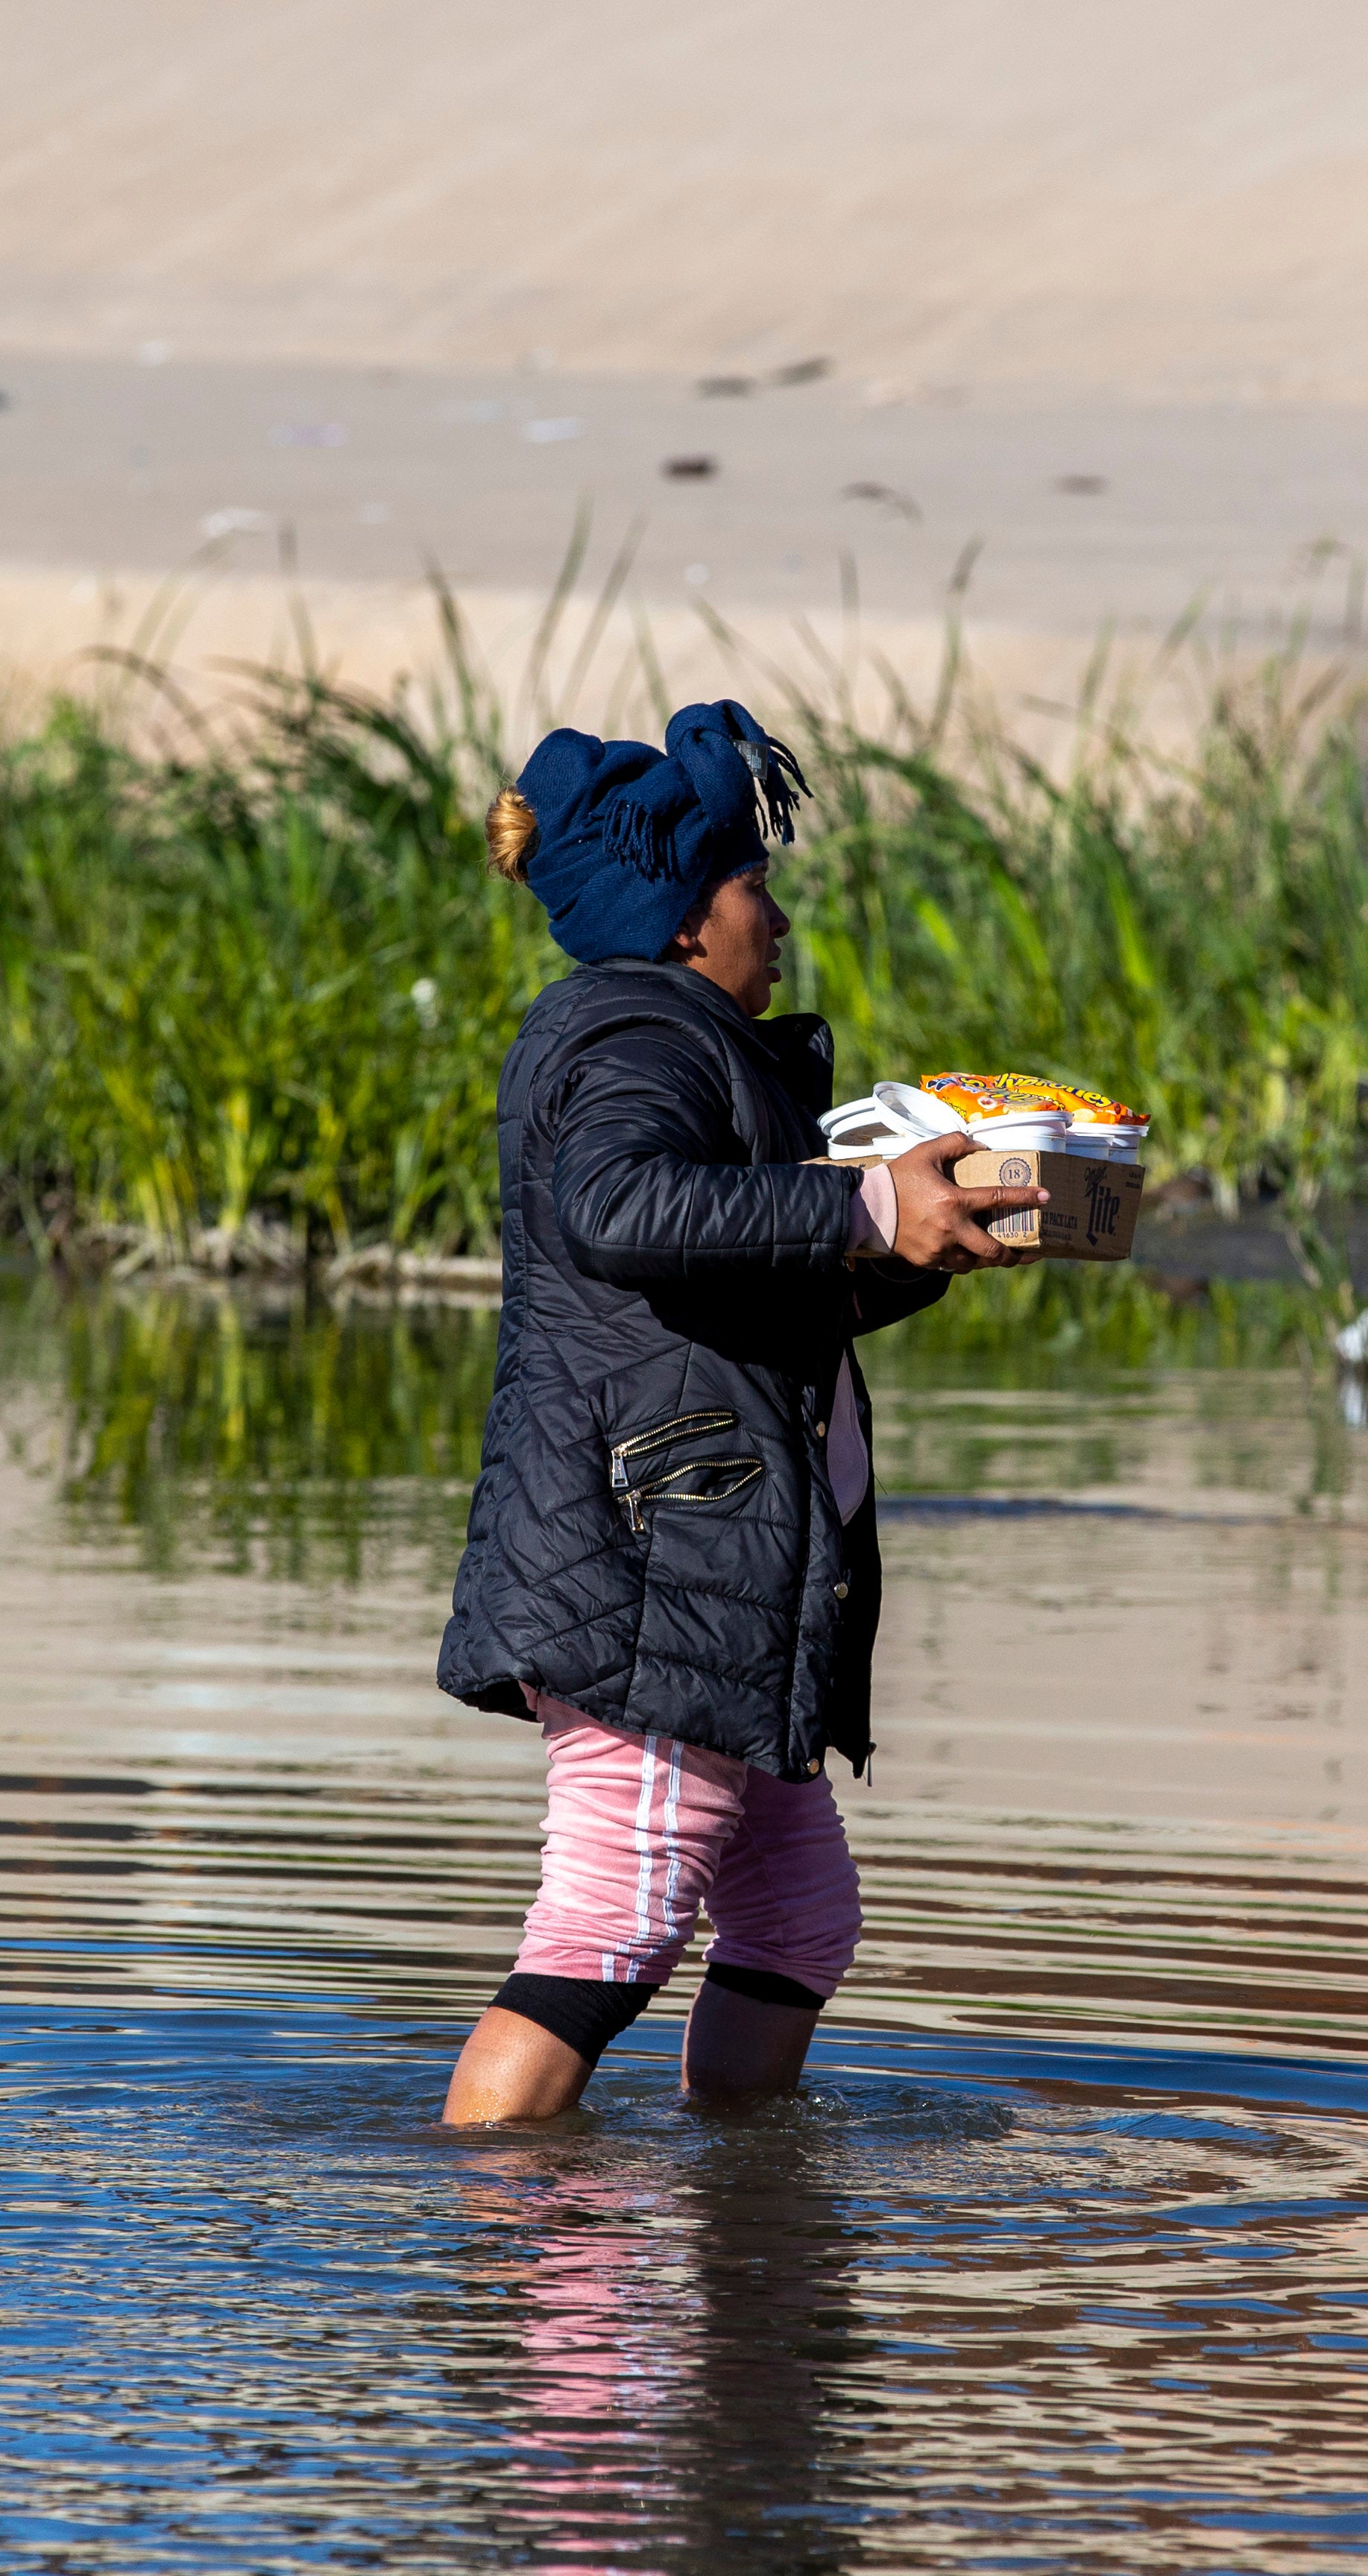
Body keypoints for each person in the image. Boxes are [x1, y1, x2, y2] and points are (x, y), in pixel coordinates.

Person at [436, 701, 1045, 2124]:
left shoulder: (687, 1041)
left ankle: (747, 2229)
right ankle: (509, 2259)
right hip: (656, 1562)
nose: (775, 911)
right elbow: (620, 1208)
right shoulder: (637, 1038)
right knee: (614, 1924)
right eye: (752, 882)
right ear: (683, 918)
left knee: (794, 1917)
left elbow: (738, 1296)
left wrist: (915, 1240)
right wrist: (861, 1201)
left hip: (709, 1565)